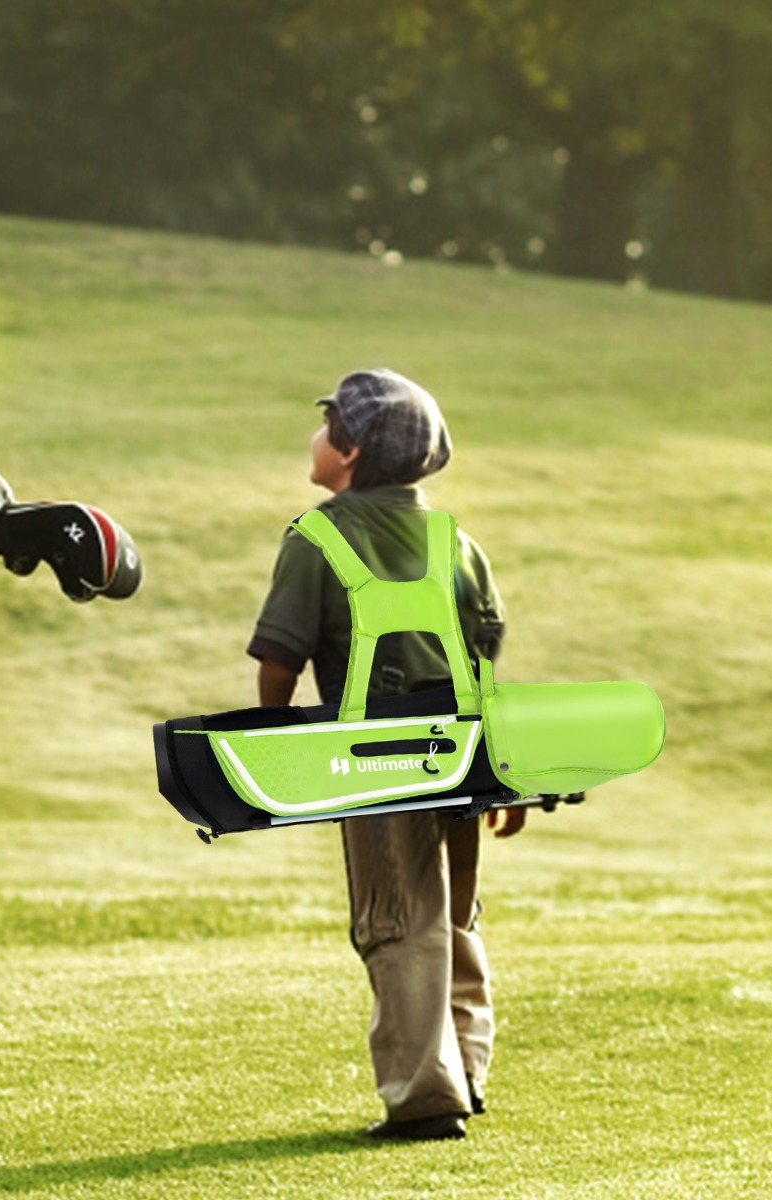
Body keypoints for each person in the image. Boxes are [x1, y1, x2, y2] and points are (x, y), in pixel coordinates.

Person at [248, 369, 525, 1141]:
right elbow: (485, 663)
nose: (315, 435)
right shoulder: (456, 542)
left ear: (352, 448)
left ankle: (423, 1097)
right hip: (463, 752)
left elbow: (280, 657)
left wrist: (276, 744)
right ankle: (467, 1070)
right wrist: (504, 773)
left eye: (326, 423)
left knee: (395, 917)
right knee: (454, 912)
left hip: (375, 755)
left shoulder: (318, 537)